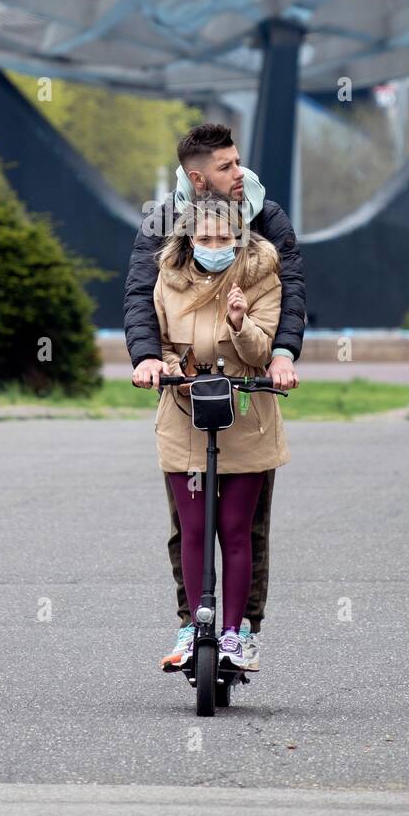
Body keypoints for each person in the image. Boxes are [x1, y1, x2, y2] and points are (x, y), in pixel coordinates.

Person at [126, 123, 306, 669]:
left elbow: (290, 288)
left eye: (237, 162)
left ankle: (242, 629)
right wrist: (146, 358)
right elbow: (140, 293)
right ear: (197, 178)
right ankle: (191, 624)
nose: (240, 173)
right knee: (188, 527)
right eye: (227, 166)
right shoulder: (161, 224)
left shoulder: (265, 215)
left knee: (246, 525)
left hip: (247, 388)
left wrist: (282, 355)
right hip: (186, 395)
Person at [149, 194, 290, 669]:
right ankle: (193, 628)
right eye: (204, 237)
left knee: (235, 530)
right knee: (192, 529)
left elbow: (261, 352)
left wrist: (238, 320)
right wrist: (168, 369)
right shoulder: (168, 279)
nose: (213, 244)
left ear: (239, 237)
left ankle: (234, 635)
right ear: (190, 238)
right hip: (185, 414)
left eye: (223, 237)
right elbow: (161, 341)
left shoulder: (261, 277)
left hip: (245, 415)